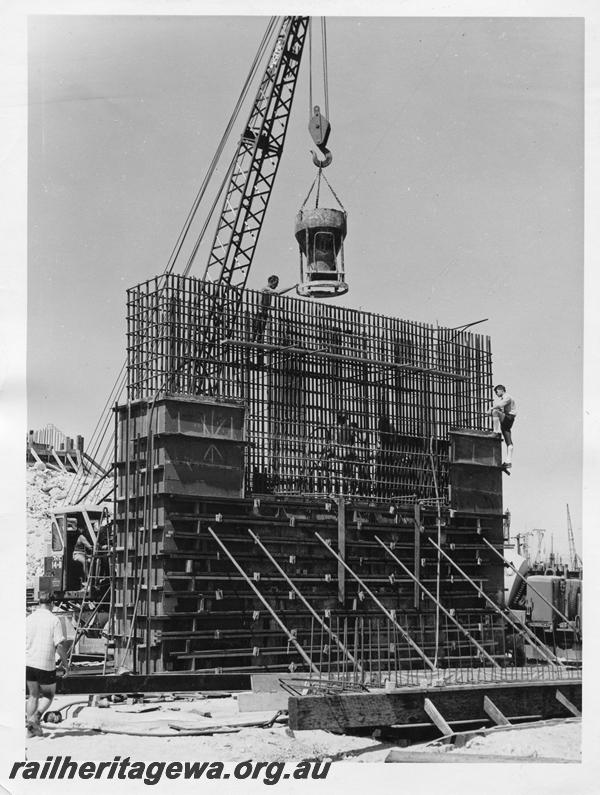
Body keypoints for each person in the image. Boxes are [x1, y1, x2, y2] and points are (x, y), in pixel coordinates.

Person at [26, 591, 68, 737]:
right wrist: (66, 664)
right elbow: (60, 646)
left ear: (39, 603)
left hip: (29, 662)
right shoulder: (54, 620)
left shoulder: (29, 619)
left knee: (33, 695)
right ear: (51, 603)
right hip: (45, 663)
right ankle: (35, 717)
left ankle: (31, 732)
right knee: (48, 695)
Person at [489, 384, 517, 468]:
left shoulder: (507, 397)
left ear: (501, 389)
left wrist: (491, 409)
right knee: (508, 440)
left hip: (509, 417)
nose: (496, 394)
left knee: (495, 412)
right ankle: (508, 461)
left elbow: (500, 405)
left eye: (496, 392)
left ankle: (495, 432)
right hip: (508, 419)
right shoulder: (506, 398)